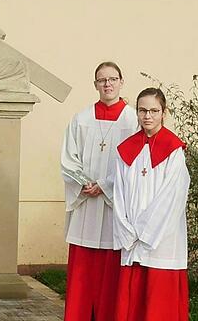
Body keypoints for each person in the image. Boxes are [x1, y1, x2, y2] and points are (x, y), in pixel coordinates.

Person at [60, 62, 138, 321]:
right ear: (95, 85)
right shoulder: (81, 119)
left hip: (114, 204)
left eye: (112, 79)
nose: (107, 84)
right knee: (84, 267)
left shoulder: (133, 120)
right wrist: (84, 183)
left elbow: (135, 164)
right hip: (86, 203)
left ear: (121, 82)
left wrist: (104, 185)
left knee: (111, 267)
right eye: (102, 80)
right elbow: (69, 159)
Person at [111, 88, 190, 321]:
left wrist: (144, 233)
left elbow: (172, 196)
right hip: (132, 239)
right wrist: (127, 230)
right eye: (142, 110)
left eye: (154, 111)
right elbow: (119, 194)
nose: (148, 116)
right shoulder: (126, 149)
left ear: (163, 113)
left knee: (158, 303)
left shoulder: (173, 150)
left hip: (160, 239)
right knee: (132, 300)